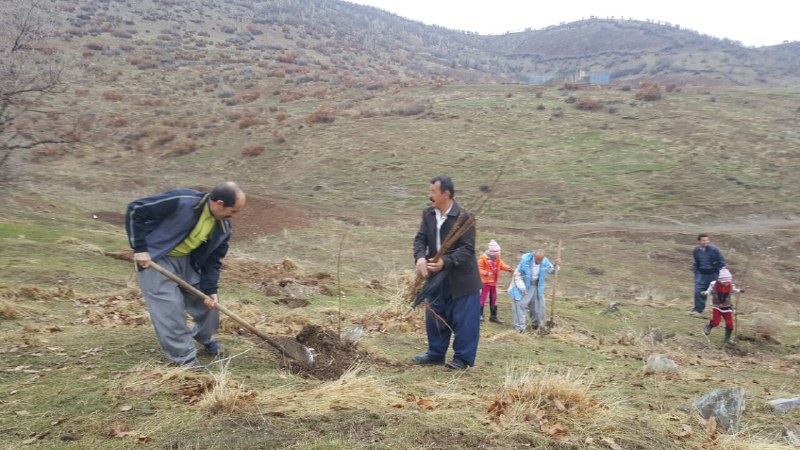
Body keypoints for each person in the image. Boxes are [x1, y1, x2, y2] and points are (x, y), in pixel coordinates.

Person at [125, 182, 246, 367]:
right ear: (219, 203)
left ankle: (204, 336)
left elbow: (213, 261)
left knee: (210, 304)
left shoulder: (223, 228)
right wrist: (140, 248)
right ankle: (184, 357)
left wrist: (211, 289)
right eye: (234, 210)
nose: (234, 216)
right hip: (156, 258)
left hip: (188, 261)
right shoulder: (182, 201)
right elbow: (136, 209)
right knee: (170, 308)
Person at [412, 176, 482, 370]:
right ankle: (435, 353)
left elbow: (468, 249)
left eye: (433, 192)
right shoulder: (428, 214)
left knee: (465, 319)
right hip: (436, 275)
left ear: (446, 194)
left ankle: (462, 358)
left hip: (462, 278)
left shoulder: (464, 217)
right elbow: (420, 239)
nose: (430, 195)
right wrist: (420, 258)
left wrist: (446, 261)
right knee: (436, 314)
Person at [508, 249, 559, 333]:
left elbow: (552, 270)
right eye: (537, 259)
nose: (539, 261)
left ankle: (536, 325)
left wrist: (555, 265)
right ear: (534, 256)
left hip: (537, 286)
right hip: (523, 285)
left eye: (540, 260)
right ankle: (520, 328)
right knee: (520, 304)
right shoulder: (525, 262)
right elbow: (517, 276)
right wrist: (522, 288)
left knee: (539, 306)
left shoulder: (545, 262)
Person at [701, 267, 742, 345]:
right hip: (717, 306)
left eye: (727, 282)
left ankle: (727, 339)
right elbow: (709, 291)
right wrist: (706, 293)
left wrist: (740, 291)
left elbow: (735, 290)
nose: (726, 283)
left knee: (730, 324)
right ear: (719, 280)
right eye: (724, 282)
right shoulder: (714, 285)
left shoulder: (730, 286)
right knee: (716, 322)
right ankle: (709, 326)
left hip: (727, 307)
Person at [691, 234, 726, 317]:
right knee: (698, 291)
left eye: (707, 240)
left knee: (718, 292)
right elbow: (696, 262)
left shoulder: (714, 250)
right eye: (704, 240)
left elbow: (721, 262)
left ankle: (725, 309)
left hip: (713, 274)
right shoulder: (696, 251)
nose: (706, 242)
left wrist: (718, 273)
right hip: (701, 275)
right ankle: (698, 310)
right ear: (699, 241)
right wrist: (696, 272)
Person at [478, 240, 512, 323]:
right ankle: (479, 315)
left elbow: (501, 265)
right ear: (492, 253)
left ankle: (493, 316)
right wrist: (486, 273)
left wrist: (507, 268)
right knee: (483, 298)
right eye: (497, 254)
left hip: (493, 281)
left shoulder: (497, 258)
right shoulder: (482, 259)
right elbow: (479, 269)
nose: (498, 255)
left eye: (498, 254)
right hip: (485, 282)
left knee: (494, 298)